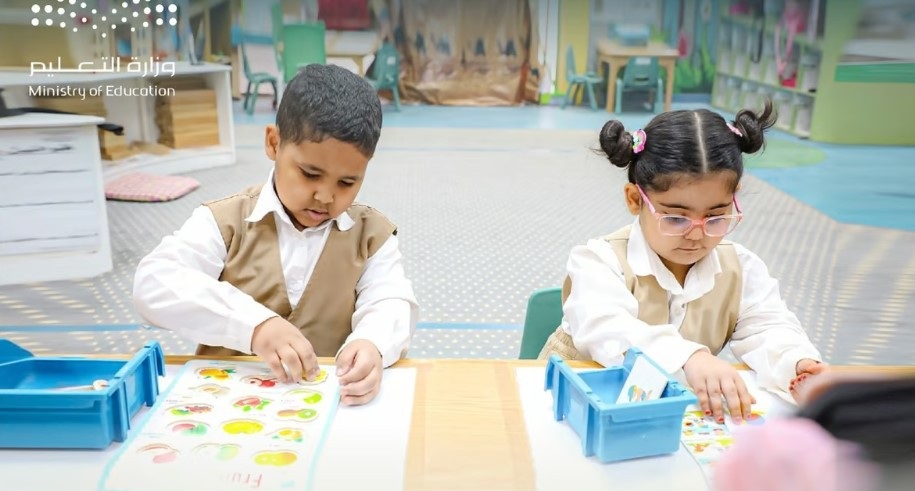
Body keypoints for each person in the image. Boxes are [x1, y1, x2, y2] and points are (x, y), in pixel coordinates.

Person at [133, 64, 418, 406]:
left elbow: (391, 301)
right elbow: (154, 282)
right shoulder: (225, 221)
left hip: (325, 409)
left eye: (347, 183)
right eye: (310, 174)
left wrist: (373, 342)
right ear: (274, 143)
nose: (326, 197)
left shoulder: (372, 236)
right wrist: (254, 326)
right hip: (225, 405)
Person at [539, 100, 825, 422]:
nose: (696, 235)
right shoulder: (599, 260)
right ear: (635, 199)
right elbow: (606, 329)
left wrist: (796, 362)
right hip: (571, 404)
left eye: (716, 217)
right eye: (675, 218)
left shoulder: (741, 268)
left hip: (662, 413)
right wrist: (689, 356)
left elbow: (767, 327)